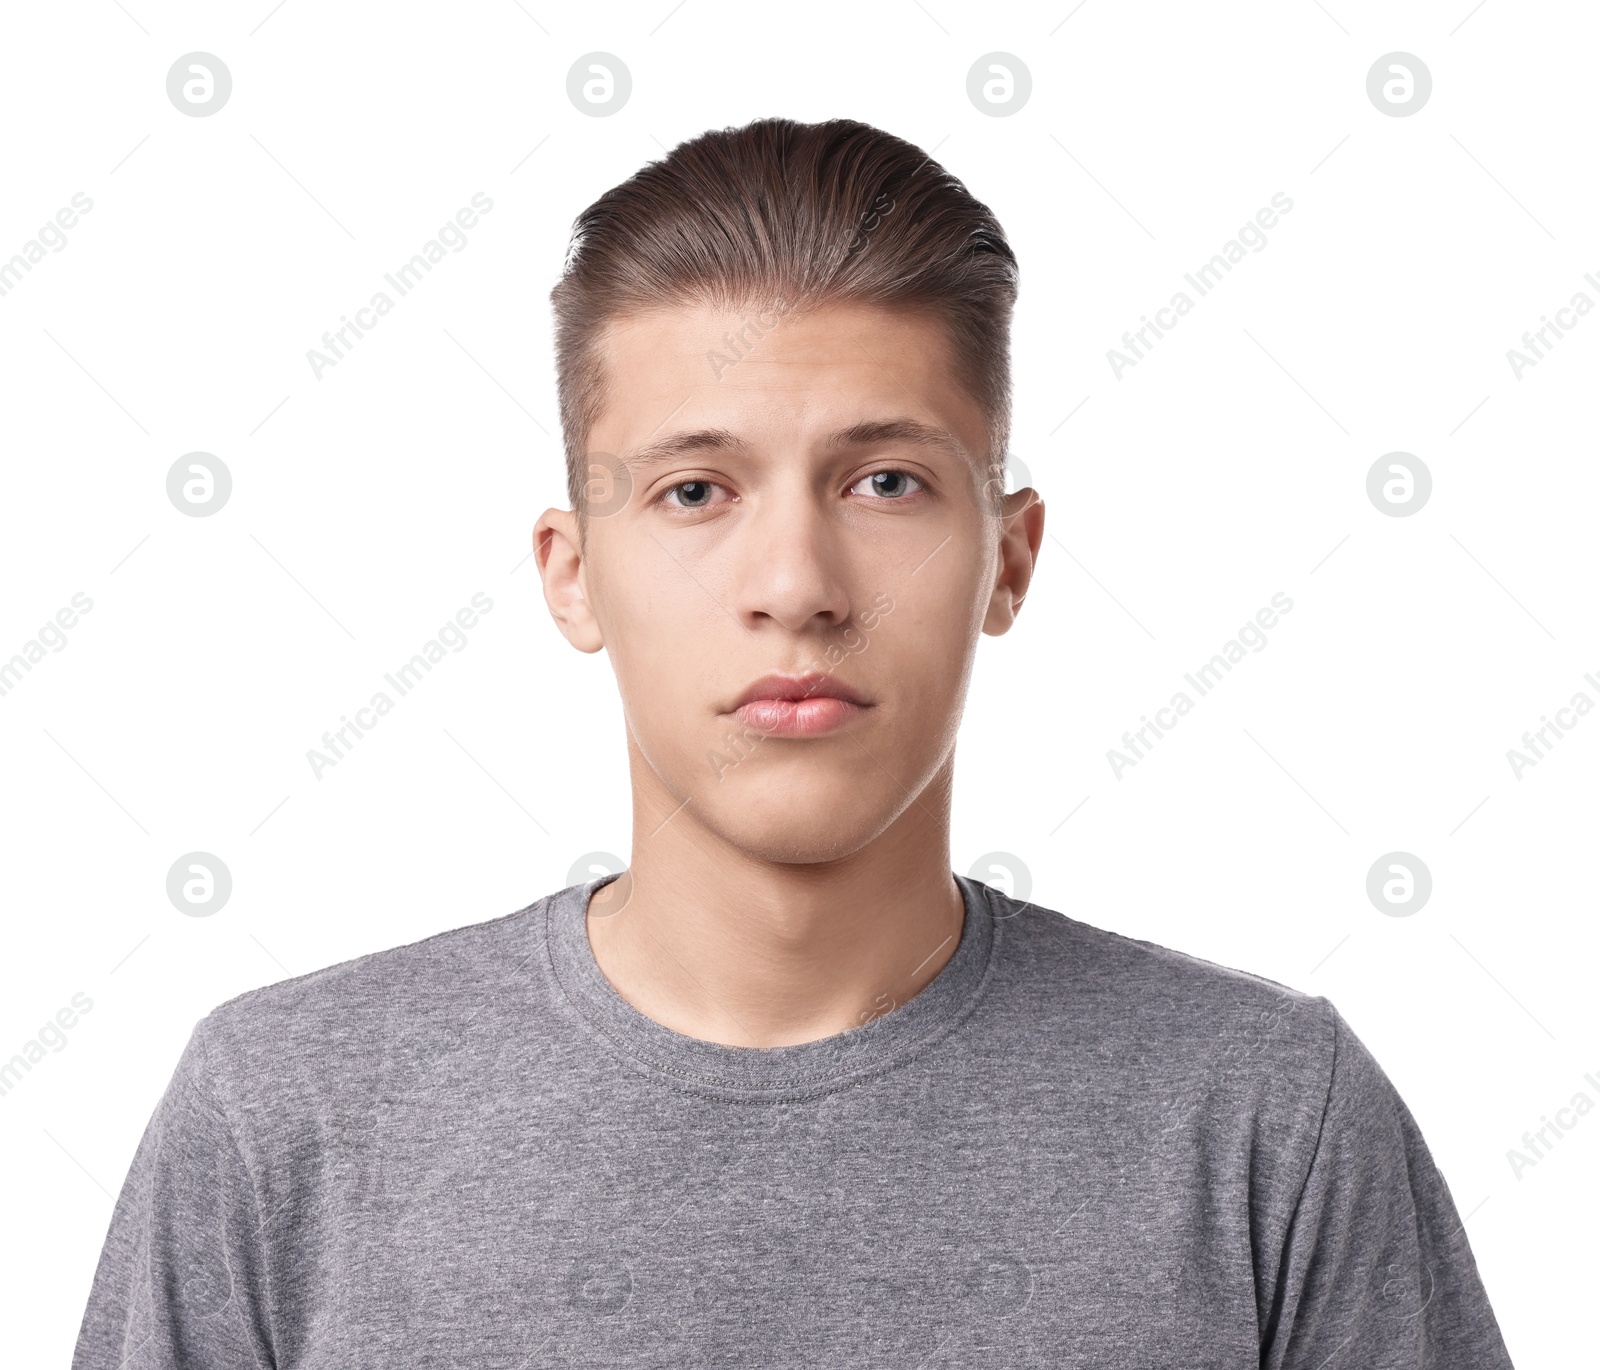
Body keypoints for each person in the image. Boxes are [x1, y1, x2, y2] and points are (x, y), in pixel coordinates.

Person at [73, 117, 1515, 1368]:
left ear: (1008, 558)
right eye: (697, 490)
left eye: (885, 479)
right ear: (571, 570)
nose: (798, 582)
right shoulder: (283, 1122)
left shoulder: (1268, 1123)